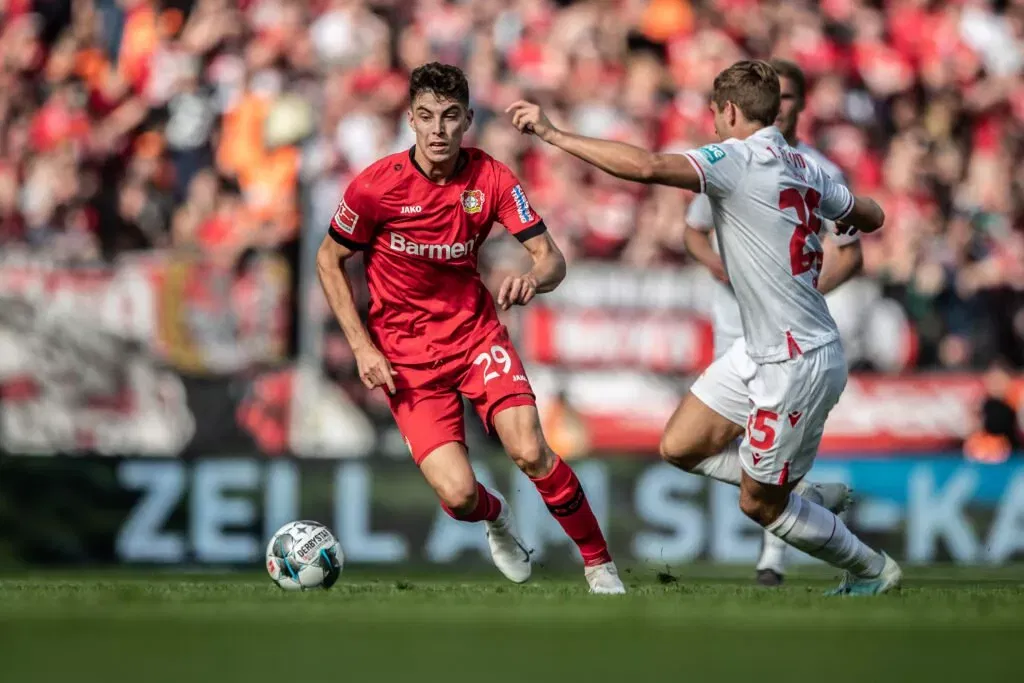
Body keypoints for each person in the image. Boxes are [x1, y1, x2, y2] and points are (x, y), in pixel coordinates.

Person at [508, 60, 902, 595]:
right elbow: (872, 215)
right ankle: (799, 489)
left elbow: (647, 166)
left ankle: (872, 569)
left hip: (795, 359)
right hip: (760, 349)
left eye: (715, 114)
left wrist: (554, 134)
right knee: (680, 446)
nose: (713, 125)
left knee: (758, 504)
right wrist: (849, 210)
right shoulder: (809, 168)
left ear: (731, 111)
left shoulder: (735, 158)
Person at [316, 62, 625, 594]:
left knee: (529, 449)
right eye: (427, 116)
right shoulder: (375, 187)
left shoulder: (491, 179)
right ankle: (496, 516)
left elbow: (552, 259)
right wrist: (362, 347)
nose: (437, 130)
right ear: (411, 119)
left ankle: (600, 566)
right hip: (406, 358)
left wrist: (533, 279)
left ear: (467, 120)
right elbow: (328, 259)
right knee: (459, 496)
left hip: (475, 337)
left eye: (450, 116)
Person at [683, 59, 864, 587]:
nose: (778, 108)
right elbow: (694, 232)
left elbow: (851, 253)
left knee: (765, 450)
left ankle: (772, 561)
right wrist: (716, 264)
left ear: (800, 105)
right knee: (710, 443)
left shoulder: (818, 170)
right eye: (774, 99)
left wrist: (797, 295)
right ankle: (800, 498)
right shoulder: (726, 161)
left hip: (790, 335)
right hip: (735, 327)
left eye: (787, 99)